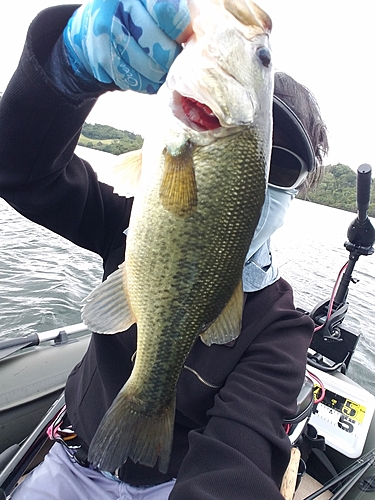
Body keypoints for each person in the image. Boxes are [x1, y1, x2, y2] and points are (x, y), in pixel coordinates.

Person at [0, 1, 328, 499]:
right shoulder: (128, 227)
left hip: (169, 486)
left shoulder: (281, 329)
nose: (261, 179)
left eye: (280, 168)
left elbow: (238, 464)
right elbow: (24, 172)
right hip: (74, 460)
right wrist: (67, 68)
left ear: (295, 195)